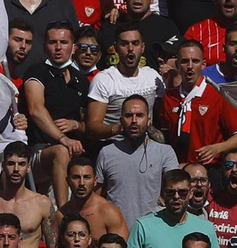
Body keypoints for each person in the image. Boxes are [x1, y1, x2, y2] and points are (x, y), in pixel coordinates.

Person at [20, 22, 90, 207]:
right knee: (61, 151)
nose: (58, 47)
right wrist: (62, 138)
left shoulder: (80, 80)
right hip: (38, 152)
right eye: (53, 42)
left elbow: (87, 125)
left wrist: (75, 125)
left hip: (73, 155)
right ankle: (64, 212)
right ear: (44, 46)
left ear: (74, 47)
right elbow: (35, 109)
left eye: (64, 42)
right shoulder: (36, 72)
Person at [126, 168, 223, 248]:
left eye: (182, 192)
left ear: (191, 193)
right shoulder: (143, 226)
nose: (176, 197)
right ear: (162, 194)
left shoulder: (206, 227)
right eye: (170, 192)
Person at [159, 40, 237, 165]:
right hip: (179, 169)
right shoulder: (169, 97)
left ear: (203, 64)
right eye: (184, 61)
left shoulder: (217, 95)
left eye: (195, 61)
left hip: (210, 169)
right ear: (177, 65)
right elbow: (165, 136)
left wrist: (217, 148)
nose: (190, 66)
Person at [96, 95, 178, 227]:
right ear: (121, 120)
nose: (134, 120)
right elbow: (97, 198)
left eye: (139, 115)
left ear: (149, 120)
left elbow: (176, 190)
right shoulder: (106, 153)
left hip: (153, 230)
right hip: (117, 234)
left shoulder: (165, 153)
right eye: (129, 115)